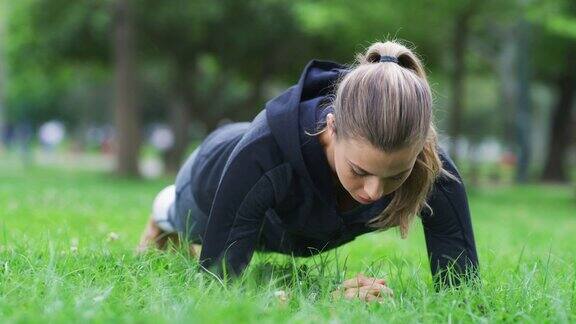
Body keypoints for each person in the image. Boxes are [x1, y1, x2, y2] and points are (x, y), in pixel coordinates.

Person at [137, 40, 479, 302]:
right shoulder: (261, 154)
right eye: (360, 170)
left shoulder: (427, 163)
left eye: (395, 176)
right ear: (331, 129)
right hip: (210, 178)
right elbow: (216, 288)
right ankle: (164, 208)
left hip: (305, 224)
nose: (374, 192)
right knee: (184, 217)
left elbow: (462, 294)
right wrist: (326, 301)